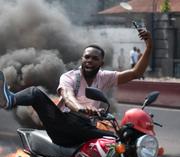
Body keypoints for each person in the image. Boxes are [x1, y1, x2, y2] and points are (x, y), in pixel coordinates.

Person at [0, 29, 152, 147]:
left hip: (84, 129)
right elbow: (68, 97)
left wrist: (149, 45)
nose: (89, 61)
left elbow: (135, 73)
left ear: (101, 63)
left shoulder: (104, 77)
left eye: (94, 58)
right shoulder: (70, 77)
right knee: (35, 93)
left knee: (118, 140)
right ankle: (9, 99)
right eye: (87, 57)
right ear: (82, 59)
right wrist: (81, 109)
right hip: (62, 125)